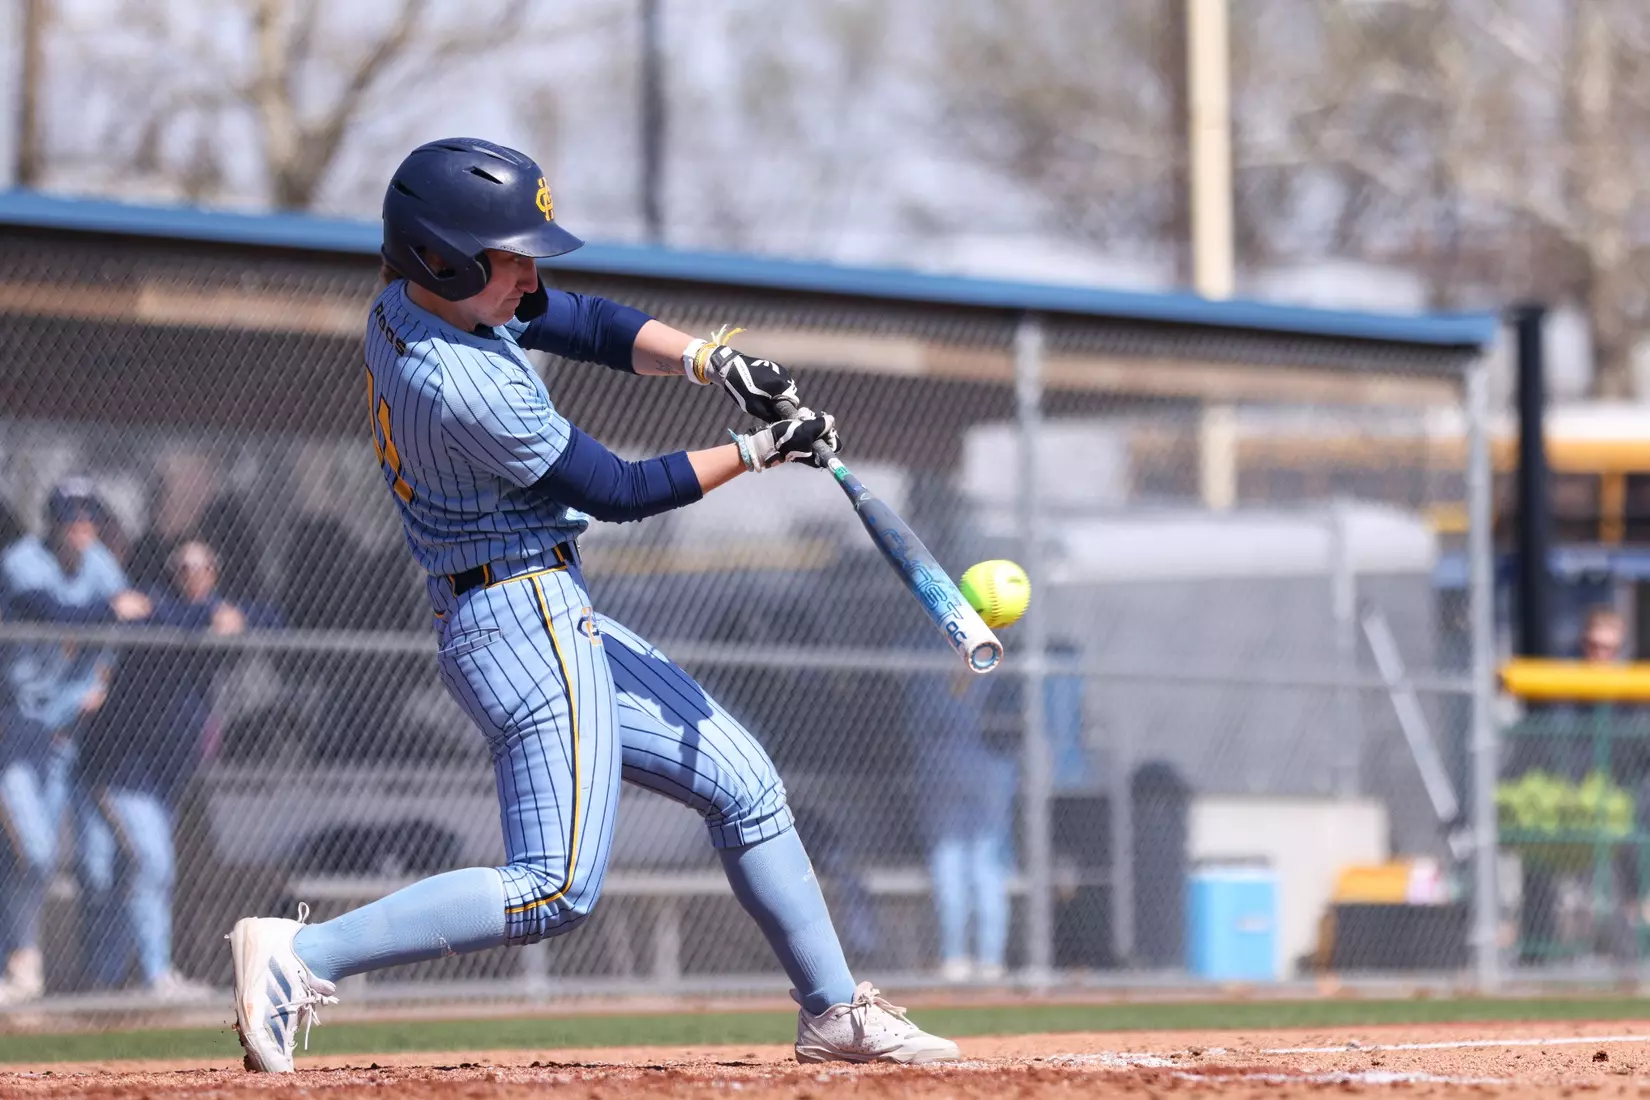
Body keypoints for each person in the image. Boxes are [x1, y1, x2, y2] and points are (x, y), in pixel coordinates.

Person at [228, 137, 957, 1071]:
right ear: (440, 257)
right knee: (554, 889)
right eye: (508, 255)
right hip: (518, 624)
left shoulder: (412, 304)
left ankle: (832, 1013)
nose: (528, 273)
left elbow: (576, 318)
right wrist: (762, 451)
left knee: (745, 785)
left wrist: (711, 362)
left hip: (538, 606)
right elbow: (617, 488)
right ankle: (302, 956)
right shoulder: (461, 384)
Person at [75, 540, 263, 999]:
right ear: (170, 571)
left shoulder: (217, 617)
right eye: (183, 566)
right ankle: (156, 974)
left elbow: (273, 617)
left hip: (168, 777)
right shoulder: (155, 608)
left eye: (203, 566)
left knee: (127, 873)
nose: (193, 573)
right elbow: (157, 615)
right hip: (120, 769)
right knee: (152, 864)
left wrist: (238, 619)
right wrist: (211, 619)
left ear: (216, 572)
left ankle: (105, 980)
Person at [0, 479, 150, 1003]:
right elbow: (51, 612)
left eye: (89, 517)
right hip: (11, 732)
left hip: (59, 738)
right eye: (73, 517)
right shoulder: (24, 561)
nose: (82, 526)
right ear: (54, 522)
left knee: (24, 856)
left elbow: (128, 618)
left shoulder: (100, 565)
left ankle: (17, 968)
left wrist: (99, 678)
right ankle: (20, 959)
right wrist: (111, 612)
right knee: (36, 852)